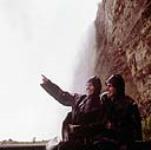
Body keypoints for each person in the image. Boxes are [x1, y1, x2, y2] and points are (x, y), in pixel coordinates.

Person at [40, 75, 107, 150]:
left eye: (91, 85)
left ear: (97, 87)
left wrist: (78, 129)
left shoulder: (101, 104)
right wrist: (49, 84)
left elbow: (99, 126)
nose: (88, 87)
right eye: (87, 85)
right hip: (72, 138)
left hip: (88, 142)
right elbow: (62, 95)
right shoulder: (79, 99)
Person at [99, 74, 142, 149]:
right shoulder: (106, 100)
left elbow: (136, 129)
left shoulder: (130, 104)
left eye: (110, 86)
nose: (108, 89)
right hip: (107, 140)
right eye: (107, 86)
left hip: (124, 142)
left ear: (117, 87)